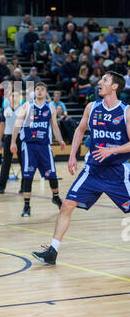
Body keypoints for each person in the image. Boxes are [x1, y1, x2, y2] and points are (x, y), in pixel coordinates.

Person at [32, 71, 130, 265]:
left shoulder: (126, 112)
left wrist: (112, 151)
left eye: (105, 80)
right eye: (100, 79)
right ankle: (52, 251)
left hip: (118, 172)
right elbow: (80, 129)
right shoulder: (92, 107)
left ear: (115, 87)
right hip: (92, 170)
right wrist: (72, 155)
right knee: (67, 205)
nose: (99, 82)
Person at [11, 82, 65, 217]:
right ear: (34, 92)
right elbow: (17, 124)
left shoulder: (50, 108)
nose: (40, 91)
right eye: (37, 89)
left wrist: (60, 140)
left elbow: (55, 126)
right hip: (29, 146)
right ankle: (27, 206)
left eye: (42, 89)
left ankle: (56, 197)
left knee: (52, 174)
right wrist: (13, 142)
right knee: (28, 176)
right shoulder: (27, 106)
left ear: (46, 92)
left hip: (45, 146)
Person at [0, 90, 24, 195]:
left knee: (23, 162)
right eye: (12, 95)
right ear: (9, 98)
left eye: (16, 95)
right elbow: (2, 124)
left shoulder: (23, 109)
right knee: (6, 163)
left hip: (20, 138)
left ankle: (24, 187)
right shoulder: (5, 109)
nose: (14, 97)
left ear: (19, 98)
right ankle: (1, 186)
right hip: (8, 137)